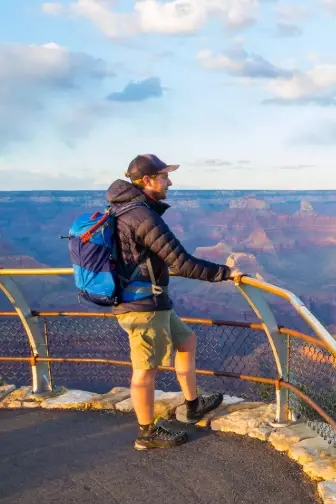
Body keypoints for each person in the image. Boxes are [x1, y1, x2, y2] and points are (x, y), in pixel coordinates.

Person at [106, 153, 243, 451]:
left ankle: (192, 406)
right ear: (147, 181)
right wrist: (226, 272)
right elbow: (180, 263)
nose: (170, 181)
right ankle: (147, 433)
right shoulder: (142, 216)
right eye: (165, 176)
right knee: (146, 369)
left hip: (154, 301)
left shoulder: (127, 209)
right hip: (141, 307)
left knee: (187, 341)